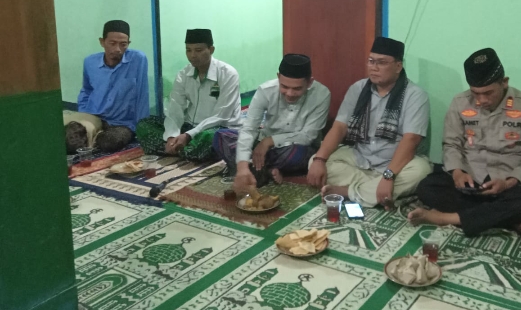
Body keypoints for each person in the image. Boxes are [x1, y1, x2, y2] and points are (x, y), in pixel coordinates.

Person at [408, 48, 521, 237]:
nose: (482, 100)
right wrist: (457, 172)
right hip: (471, 181)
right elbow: (451, 144)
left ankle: (446, 218)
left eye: (488, 93)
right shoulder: (459, 103)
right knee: (427, 188)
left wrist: (508, 183)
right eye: (475, 93)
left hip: (509, 183)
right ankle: (506, 218)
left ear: (504, 82)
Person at [307, 36, 432, 209]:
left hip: (395, 164)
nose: (374, 67)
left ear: (398, 66)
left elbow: (411, 140)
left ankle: (349, 191)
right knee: (315, 161)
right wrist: (320, 160)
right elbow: (340, 127)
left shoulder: (415, 95)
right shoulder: (358, 88)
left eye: (382, 62)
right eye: (371, 61)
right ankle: (374, 191)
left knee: (421, 171)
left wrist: (389, 175)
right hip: (361, 158)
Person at [136, 29, 242, 162]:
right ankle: (183, 149)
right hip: (189, 126)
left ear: (211, 49)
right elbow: (175, 108)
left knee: (212, 137)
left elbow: (222, 115)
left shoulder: (228, 74)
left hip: (219, 127)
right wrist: (171, 136)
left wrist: (188, 135)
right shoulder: (183, 74)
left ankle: (177, 149)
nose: (192, 55)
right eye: (188, 50)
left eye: (198, 50)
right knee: (144, 125)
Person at [228, 54, 330, 191]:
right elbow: (249, 129)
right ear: (278, 77)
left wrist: (269, 141)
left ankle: (257, 169)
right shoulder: (265, 91)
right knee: (222, 137)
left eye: (297, 89)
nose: (289, 93)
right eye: (284, 86)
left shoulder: (322, 94)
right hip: (264, 144)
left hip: (295, 147)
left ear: (309, 83)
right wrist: (242, 167)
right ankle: (262, 169)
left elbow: (307, 136)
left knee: (298, 154)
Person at [64, 20, 149, 154]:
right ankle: (92, 136)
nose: (117, 49)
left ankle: (92, 139)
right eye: (112, 43)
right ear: (102, 42)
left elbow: (142, 95)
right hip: (95, 116)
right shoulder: (90, 62)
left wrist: (142, 129)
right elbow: (86, 89)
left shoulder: (138, 59)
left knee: (110, 142)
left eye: (123, 44)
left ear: (129, 44)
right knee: (70, 138)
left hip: (122, 123)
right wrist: (83, 113)